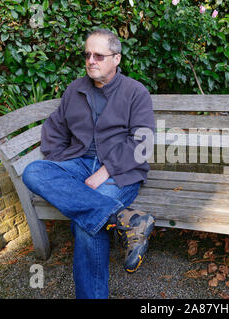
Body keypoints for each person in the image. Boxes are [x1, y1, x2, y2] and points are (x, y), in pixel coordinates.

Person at [22, 28, 156, 299]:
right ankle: (126, 219)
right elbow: (54, 130)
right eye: (87, 55)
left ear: (116, 58)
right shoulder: (76, 89)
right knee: (34, 171)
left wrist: (104, 171)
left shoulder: (135, 92)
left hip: (120, 171)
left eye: (98, 55)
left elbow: (142, 143)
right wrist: (63, 165)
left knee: (86, 223)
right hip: (79, 162)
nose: (91, 60)